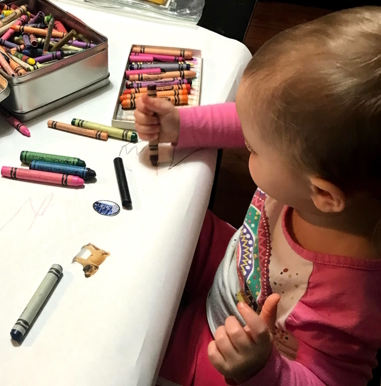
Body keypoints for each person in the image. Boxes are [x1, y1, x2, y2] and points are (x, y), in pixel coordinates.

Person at [135, 7, 381, 386]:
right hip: (236, 265)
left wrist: (263, 369)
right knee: (163, 225)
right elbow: (254, 123)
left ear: (322, 193)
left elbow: (330, 380)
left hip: (236, 347)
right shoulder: (311, 173)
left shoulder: (348, 301)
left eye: (252, 149)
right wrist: (181, 124)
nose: (246, 143)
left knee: (130, 345)